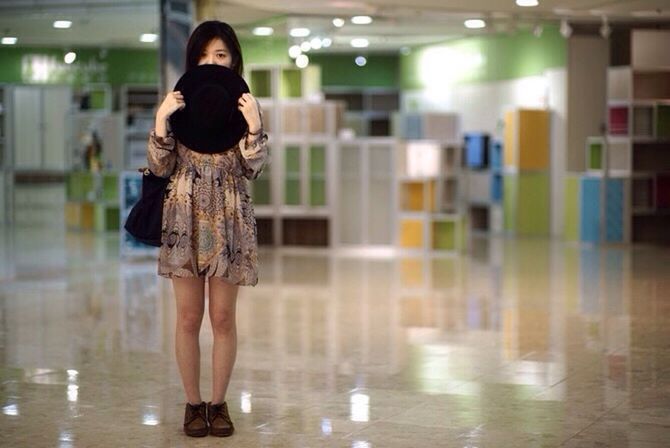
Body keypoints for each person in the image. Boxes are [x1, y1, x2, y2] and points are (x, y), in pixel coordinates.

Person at [146, 20, 267, 438]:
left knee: (222, 318)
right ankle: (192, 405)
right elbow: (160, 167)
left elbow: (253, 168)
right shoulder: (179, 101)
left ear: (233, 60)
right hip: (183, 218)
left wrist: (254, 127)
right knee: (187, 317)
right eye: (203, 55)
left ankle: (219, 404)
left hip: (228, 219)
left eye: (220, 55)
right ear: (191, 60)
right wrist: (162, 120)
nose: (211, 62)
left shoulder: (242, 103)